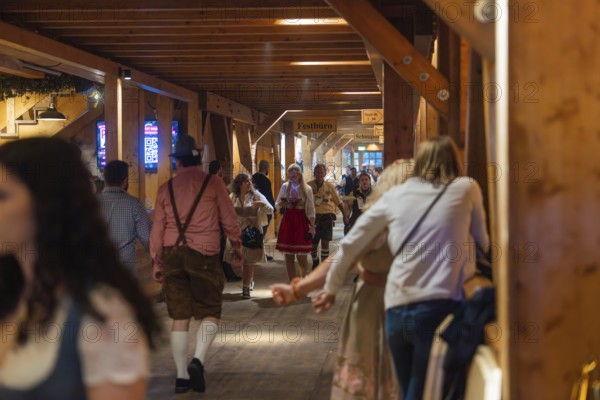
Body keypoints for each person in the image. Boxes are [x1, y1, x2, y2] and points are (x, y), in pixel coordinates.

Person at [312, 136, 490, 400]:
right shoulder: (466, 187)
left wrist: (330, 290)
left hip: (395, 309)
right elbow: (483, 242)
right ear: (454, 160)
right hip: (436, 309)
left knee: (407, 387)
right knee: (422, 389)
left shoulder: (396, 195)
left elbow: (349, 246)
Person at [0, 137, 161, 400]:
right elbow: (148, 236)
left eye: (2, 196)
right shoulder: (13, 298)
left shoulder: (102, 314)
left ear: (46, 203)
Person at [271, 159, 415, 400]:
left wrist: (308, 288)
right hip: (411, 302)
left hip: (375, 301)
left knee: (370, 370)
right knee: (406, 373)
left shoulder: (379, 216)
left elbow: (345, 254)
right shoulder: (422, 219)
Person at [150, 135, 242, 394]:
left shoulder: (164, 188)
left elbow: (158, 229)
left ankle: (181, 377)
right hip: (204, 255)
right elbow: (229, 219)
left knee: (179, 316)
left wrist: (156, 260)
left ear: (177, 161)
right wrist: (237, 247)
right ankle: (198, 361)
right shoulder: (213, 184)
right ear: (198, 158)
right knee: (210, 310)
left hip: (172, 255)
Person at [98, 160, 152, 275]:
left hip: (99, 267)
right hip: (126, 270)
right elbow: (147, 238)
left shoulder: (91, 203)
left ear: (105, 180)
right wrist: (155, 257)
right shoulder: (134, 204)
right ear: (125, 181)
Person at [226, 173, 273, 298]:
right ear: (239, 184)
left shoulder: (256, 195)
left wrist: (262, 205)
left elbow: (271, 209)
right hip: (237, 232)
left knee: (249, 260)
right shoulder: (233, 197)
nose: (249, 183)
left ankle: (245, 288)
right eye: (246, 181)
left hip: (252, 231)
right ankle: (249, 280)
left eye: (250, 181)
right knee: (240, 261)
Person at [275, 163, 316, 280]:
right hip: (288, 221)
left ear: (299, 175)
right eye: (290, 177)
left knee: (301, 255)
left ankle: (304, 279)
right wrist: (281, 204)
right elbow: (276, 205)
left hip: (301, 221)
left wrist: (312, 226)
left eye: (293, 177)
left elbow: (311, 210)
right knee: (288, 256)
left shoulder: (307, 189)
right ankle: (293, 282)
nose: (291, 179)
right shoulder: (285, 186)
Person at [308, 163, 349, 270]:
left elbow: (338, 202)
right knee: (313, 244)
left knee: (325, 243)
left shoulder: (330, 186)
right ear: (314, 173)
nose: (319, 174)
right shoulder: (308, 186)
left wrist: (345, 216)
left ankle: (322, 267)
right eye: (317, 172)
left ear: (325, 173)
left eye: (321, 172)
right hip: (313, 218)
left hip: (327, 218)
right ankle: (315, 259)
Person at [210, 160, 242, 282]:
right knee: (222, 249)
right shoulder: (218, 183)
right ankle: (226, 274)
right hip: (217, 221)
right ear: (219, 170)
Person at [252, 160, 276, 261]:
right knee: (262, 233)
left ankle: (260, 253)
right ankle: (259, 254)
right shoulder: (266, 181)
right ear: (266, 168)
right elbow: (268, 197)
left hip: (252, 209)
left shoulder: (252, 178)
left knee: (255, 232)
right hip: (264, 210)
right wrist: (273, 209)